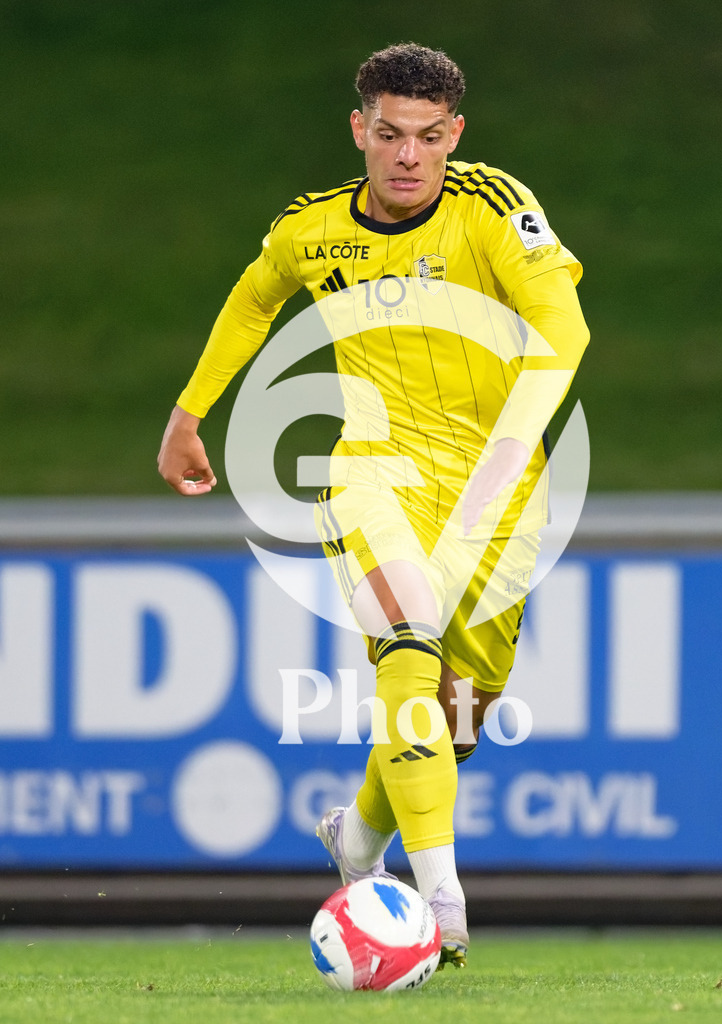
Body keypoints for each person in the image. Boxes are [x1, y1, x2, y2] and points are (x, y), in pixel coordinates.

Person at [158, 42, 590, 968]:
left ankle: (357, 835)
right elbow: (254, 300)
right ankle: (441, 902)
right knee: (408, 642)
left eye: (428, 137)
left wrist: (510, 445)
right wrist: (189, 414)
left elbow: (564, 325)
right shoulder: (311, 229)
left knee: (456, 719)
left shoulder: (493, 209)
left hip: (497, 492)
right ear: (359, 128)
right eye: (389, 134)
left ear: (455, 134)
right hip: (373, 473)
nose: (407, 156)